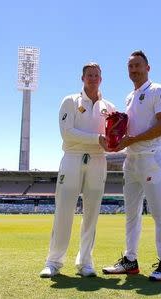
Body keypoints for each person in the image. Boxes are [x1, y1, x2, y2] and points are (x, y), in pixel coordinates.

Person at [102, 50, 161, 281]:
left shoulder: (157, 91)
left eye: (138, 65)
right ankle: (130, 261)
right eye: (130, 67)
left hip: (150, 158)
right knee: (131, 214)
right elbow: (130, 129)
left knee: (159, 213)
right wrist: (118, 129)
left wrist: (134, 139)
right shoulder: (129, 97)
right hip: (131, 160)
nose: (134, 70)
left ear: (148, 68)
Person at [40, 62, 115, 278]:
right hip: (72, 158)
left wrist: (113, 141)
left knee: (92, 213)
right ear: (82, 78)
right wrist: (98, 139)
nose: (93, 78)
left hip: (98, 160)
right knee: (64, 210)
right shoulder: (70, 101)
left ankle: (85, 262)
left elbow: (111, 137)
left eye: (96, 75)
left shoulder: (108, 107)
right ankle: (53, 262)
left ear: (101, 79)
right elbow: (67, 133)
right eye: (89, 75)